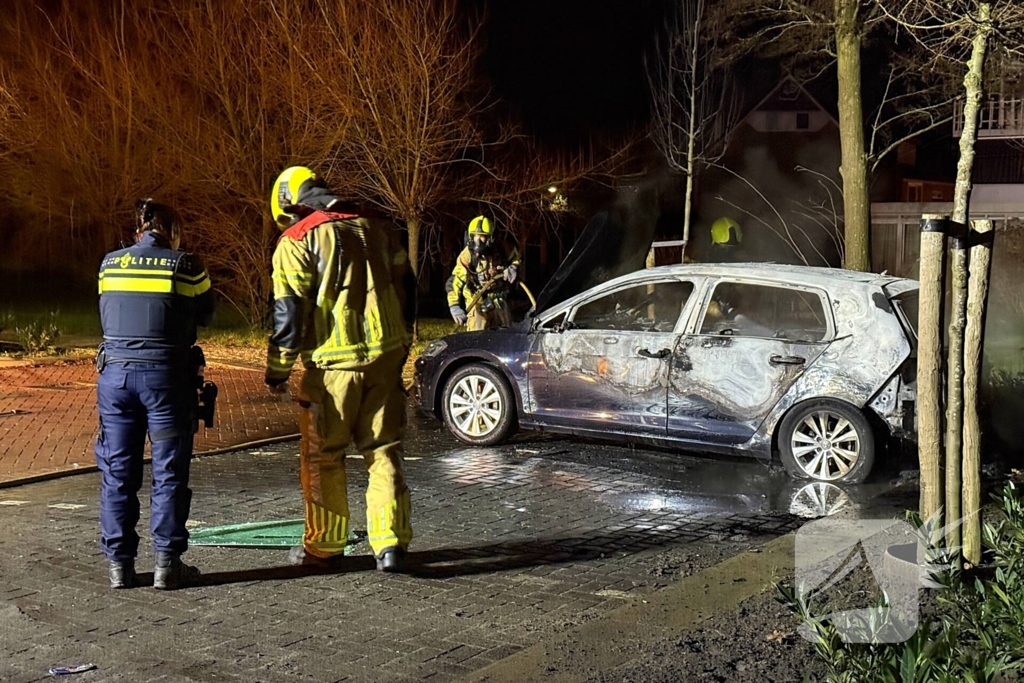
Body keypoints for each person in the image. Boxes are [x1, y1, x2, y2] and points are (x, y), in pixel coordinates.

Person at [266, 166, 414, 572]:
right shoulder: (377, 228)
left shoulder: (296, 239)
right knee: (383, 451)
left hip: (332, 368)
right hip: (386, 359)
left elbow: (289, 313)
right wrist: (403, 348)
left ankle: (325, 546)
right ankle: (391, 546)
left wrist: (278, 369)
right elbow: (408, 290)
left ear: (286, 202)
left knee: (323, 457)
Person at [95, 199, 213, 590]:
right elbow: (207, 312)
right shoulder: (185, 264)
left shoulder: (109, 264)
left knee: (117, 472)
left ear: (138, 230)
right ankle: (167, 564)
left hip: (115, 380)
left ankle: (119, 567)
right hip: (165, 381)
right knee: (169, 472)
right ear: (171, 230)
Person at [446, 216, 521, 331]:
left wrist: (513, 267)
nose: (478, 241)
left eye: (482, 237)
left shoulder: (502, 248)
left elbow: (516, 256)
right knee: (477, 335)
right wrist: (454, 305)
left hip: (498, 298)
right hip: (476, 298)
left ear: (491, 237)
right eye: (475, 236)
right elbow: (455, 281)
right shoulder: (467, 255)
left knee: (506, 333)